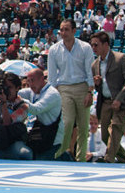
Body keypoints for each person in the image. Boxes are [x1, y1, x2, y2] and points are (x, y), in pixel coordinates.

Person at [90, 31, 125, 163]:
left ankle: (109, 158)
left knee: (116, 128)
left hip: (122, 101)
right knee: (105, 136)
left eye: (96, 45)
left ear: (106, 44)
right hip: (106, 101)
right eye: (92, 45)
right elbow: (98, 87)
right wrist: (97, 84)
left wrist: (119, 98)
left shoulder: (121, 58)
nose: (93, 48)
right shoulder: (95, 64)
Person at [48, 19, 95, 161]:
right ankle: (61, 153)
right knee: (67, 123)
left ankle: (81, 158)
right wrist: (55, 93)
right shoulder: (54, 50)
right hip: (64, 89)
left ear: (74, 31)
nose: (63, 33)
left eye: (66, 29)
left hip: (82, 87)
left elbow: (89, 71)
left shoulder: (85, 47)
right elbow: (51, 77)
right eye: (61, 30)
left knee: (83, 126)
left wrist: (90, 92)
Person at [19, 68, 64, 160]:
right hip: (40, 135)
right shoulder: (34, 90)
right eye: (28, 81)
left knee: (43, 164)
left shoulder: (52, 94)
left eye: (32, 80)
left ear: (42, 79)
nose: (30, 85)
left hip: (52, 138)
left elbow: (36, 109)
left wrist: (20, 101)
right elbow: (18, 93)